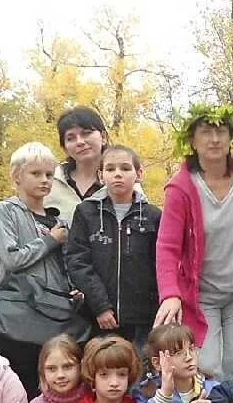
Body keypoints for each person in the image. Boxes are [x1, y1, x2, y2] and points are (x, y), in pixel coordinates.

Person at [155, 104, 233, 382]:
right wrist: (170, 294)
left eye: (221, 131)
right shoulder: (180, 187)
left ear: (232, 137)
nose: (215, 139)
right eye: (206, 132)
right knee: (205, 365)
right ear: (192, 140)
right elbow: (167, 247)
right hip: (201, 294)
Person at [0, 141, 89, 398]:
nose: (44, 180)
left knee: (59, 385)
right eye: (36, 173)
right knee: (20, 387)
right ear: (17, 176)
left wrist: (74, 288)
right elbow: (12, 260)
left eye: (49, 175)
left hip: (55, 316)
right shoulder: (5, 211)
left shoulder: (58, 220)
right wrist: (49, 240)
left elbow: (68, 265)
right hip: (19, 316)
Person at [65, 145, 161, 348]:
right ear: (101, 175)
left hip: (142, 320)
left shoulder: (153, 216)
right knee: (105, 373)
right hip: (98, 318)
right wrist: (100, 306)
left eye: (125, 168)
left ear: (139, 173)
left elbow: (160, 265)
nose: (118, 174)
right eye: (110, 169)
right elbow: (77, 261)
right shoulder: (85, 213)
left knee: (139, 375)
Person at [46, 106, 107, 211]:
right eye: (70, 138)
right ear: (64, 148)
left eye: (86, 133)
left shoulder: (124, 179)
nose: (80, 142)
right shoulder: (50, 183)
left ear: (104, 137)